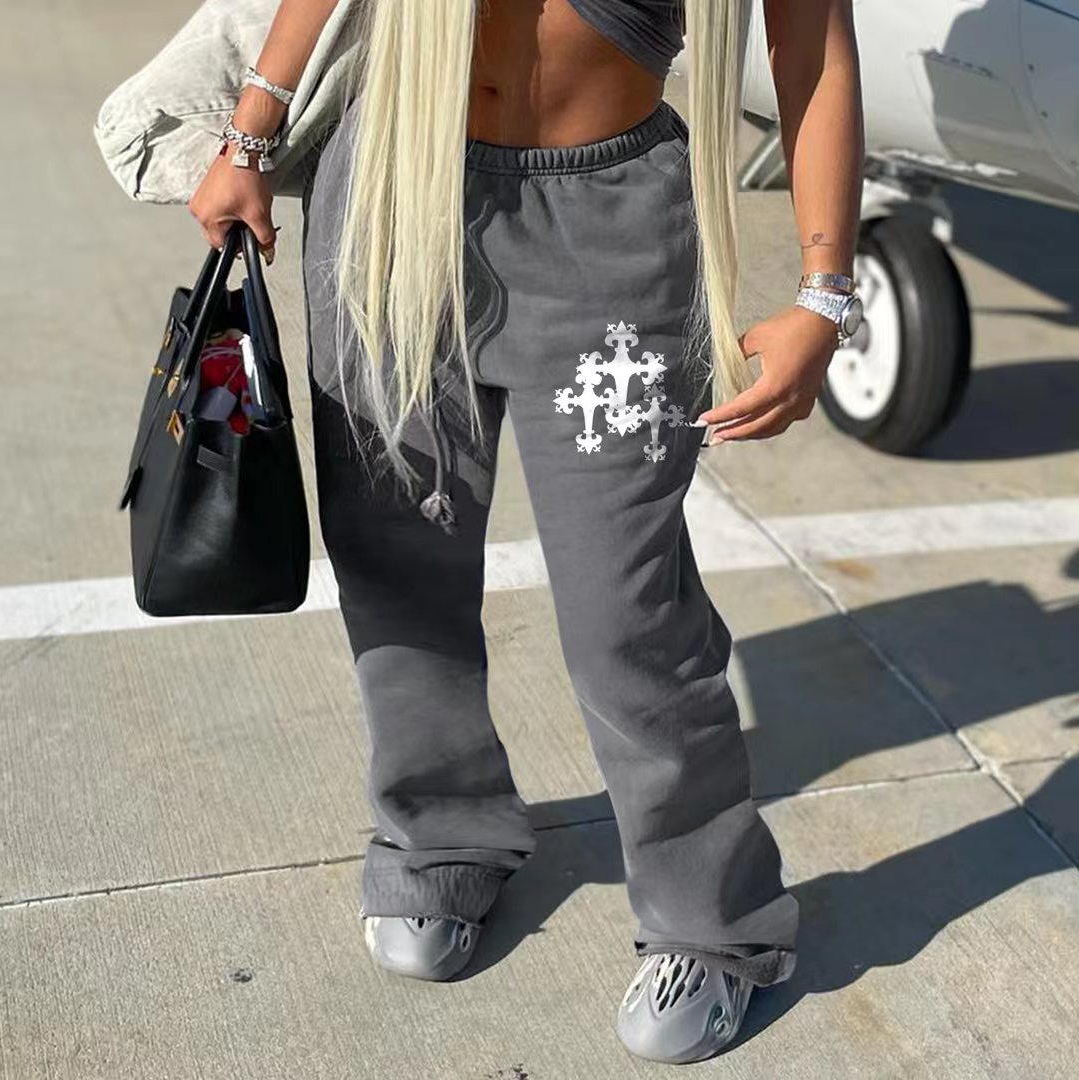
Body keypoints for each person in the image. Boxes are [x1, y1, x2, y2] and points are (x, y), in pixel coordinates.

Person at [189, 0, 864, 1065]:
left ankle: (712, 918)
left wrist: (825, 294)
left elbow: (812, 41)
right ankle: (440, 835)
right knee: (397, 564)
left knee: (625, 611)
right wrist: (250, 137)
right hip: (396, 195)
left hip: (612, 230)